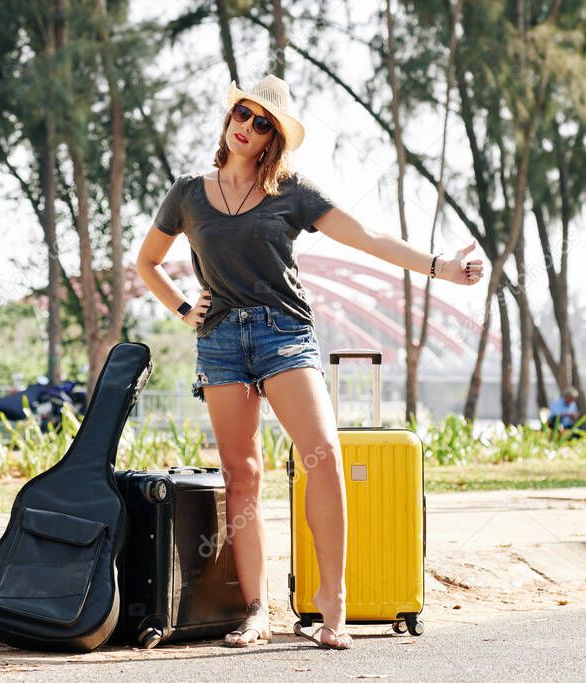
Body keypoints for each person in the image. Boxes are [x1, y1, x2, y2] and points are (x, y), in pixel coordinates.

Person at [135, 74, 484, 651]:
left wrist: (440, 267)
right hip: (221, 342)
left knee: (324, 457)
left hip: (283, 337)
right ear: (229, 121)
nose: (246, 126)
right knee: (243, 478)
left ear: (275, 136)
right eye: (241, 115)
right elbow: (148, 261)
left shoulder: (291, 192)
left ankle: (333, 605)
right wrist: (181, 307)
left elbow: (366, 237)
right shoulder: (188, 193)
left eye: (261, 121)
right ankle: (254, 612)